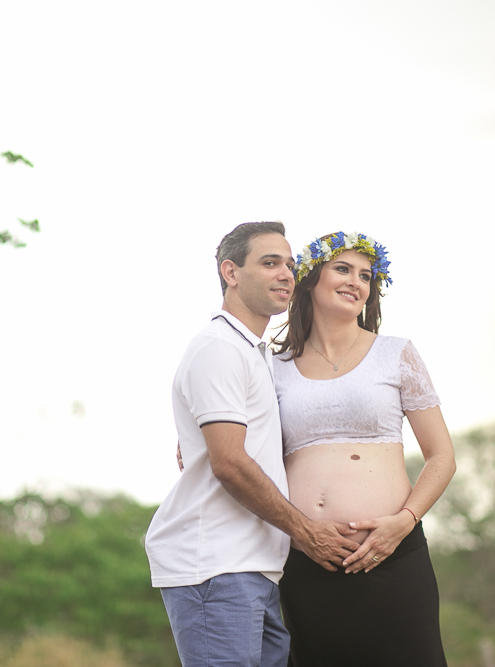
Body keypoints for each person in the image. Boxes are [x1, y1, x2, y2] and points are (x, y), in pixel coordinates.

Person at [145, 222, 361, 667]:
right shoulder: (219, 347)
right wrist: (307, 533)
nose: (285, 274)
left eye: (290, 265)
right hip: (216, 566)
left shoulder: (254, 353)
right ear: (231, 272)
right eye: (269, 263)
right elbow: (229, 463)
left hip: (255, 567)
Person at [273, 231, 456, 666]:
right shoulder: (271, 367)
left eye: (366, 275)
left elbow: (442, 456)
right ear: (310, 279)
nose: (355, 281)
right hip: (308, 563)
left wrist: (404, 522)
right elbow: (233, 439)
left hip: (393, 557)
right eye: (343, 269)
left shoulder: (396, 354)